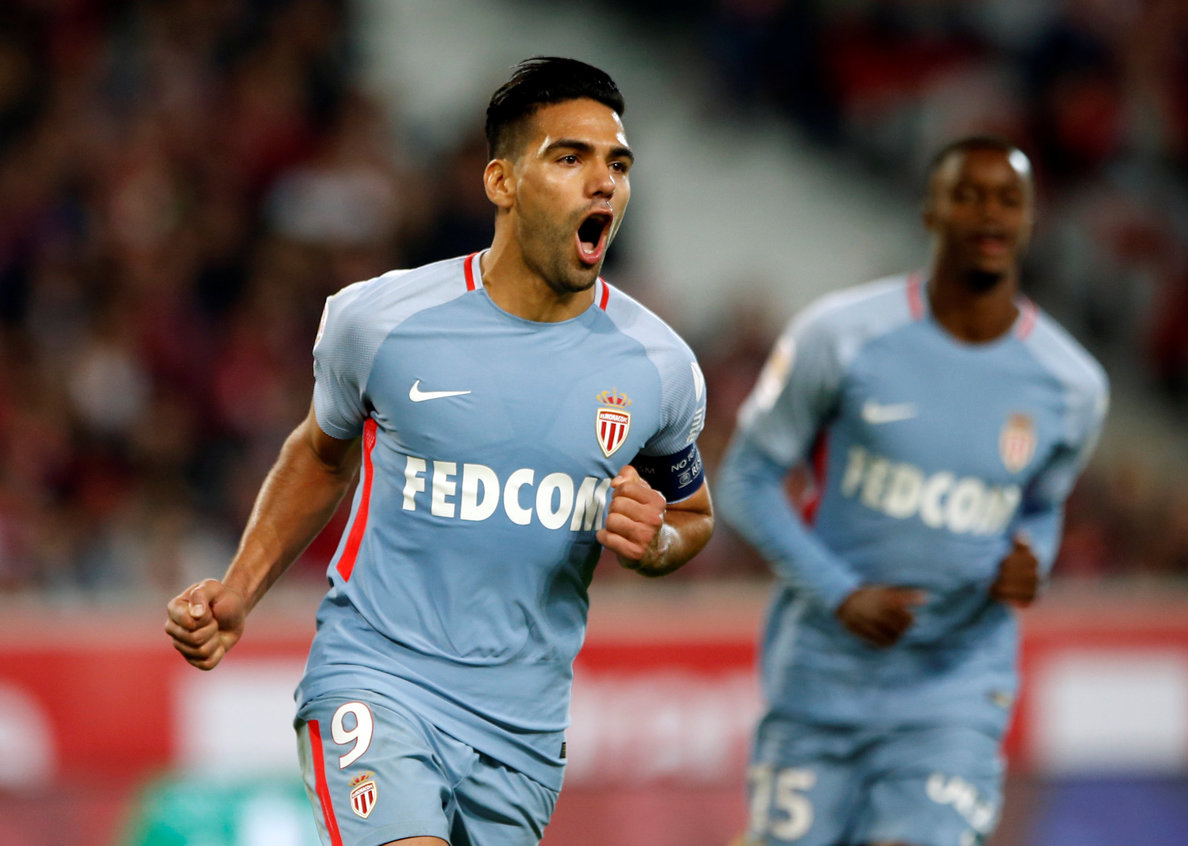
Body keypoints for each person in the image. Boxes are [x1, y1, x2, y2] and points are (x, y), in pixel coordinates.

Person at [164, 57, 714, 846]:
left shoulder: (658, 367)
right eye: (570, 158)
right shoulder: (380, 322)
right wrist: (240, 591)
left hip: (522, 736)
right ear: (502, 182)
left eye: (618, 165)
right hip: (377, 680)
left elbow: (691, 514)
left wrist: (655, 540)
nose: (604, 183)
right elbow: (321, 454)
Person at [718, 136, 1108, 846]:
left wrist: (1036, 557)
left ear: (1030, 220)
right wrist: (840, 594)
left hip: (954, 687)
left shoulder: (1071, 384)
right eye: (968, 195)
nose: (988, 214)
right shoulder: (840, 336)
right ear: (930, 211)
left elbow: (1043, 505)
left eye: (1008, 200)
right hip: (822, 677)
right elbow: (746, 479)